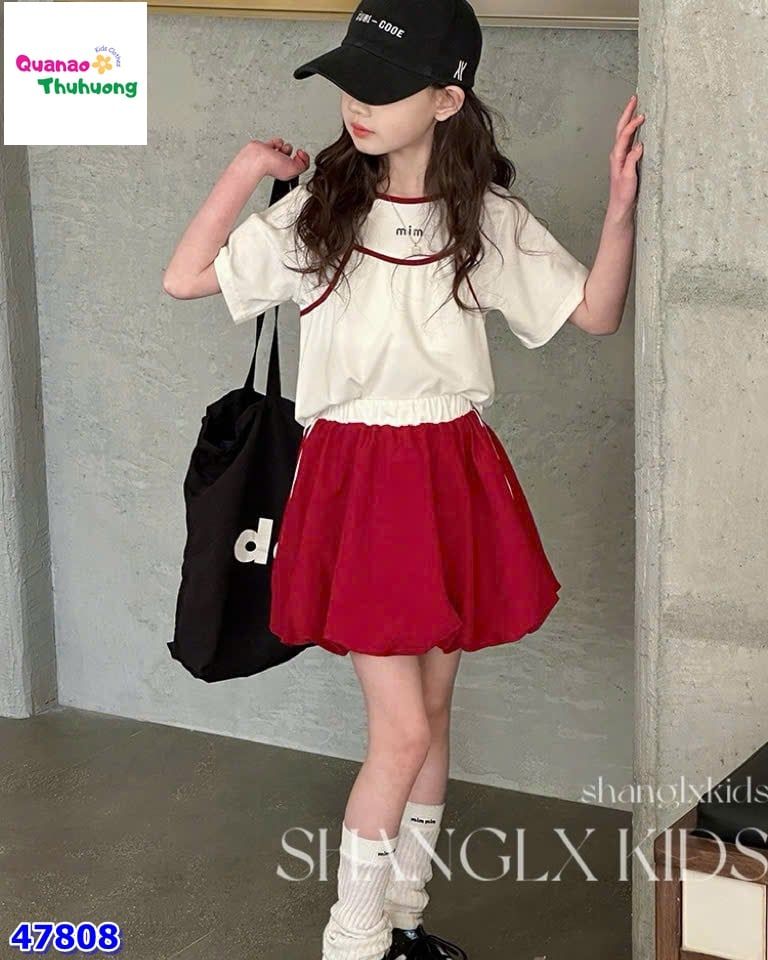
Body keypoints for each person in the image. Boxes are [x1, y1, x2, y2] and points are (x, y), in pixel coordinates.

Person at [163, 0, 643, 955]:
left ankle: (405, 921)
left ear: (446, 99)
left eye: (382, 88)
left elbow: (594, 313)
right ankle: (353, 940)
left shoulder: (483, 218)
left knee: (431, 714)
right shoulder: (321, 210)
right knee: (403, 734)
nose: (357, 104)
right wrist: (248, 170)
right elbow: (186, 277)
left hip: (449, 473)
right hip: (357, 483)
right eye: (349, 81)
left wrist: (621, 210)